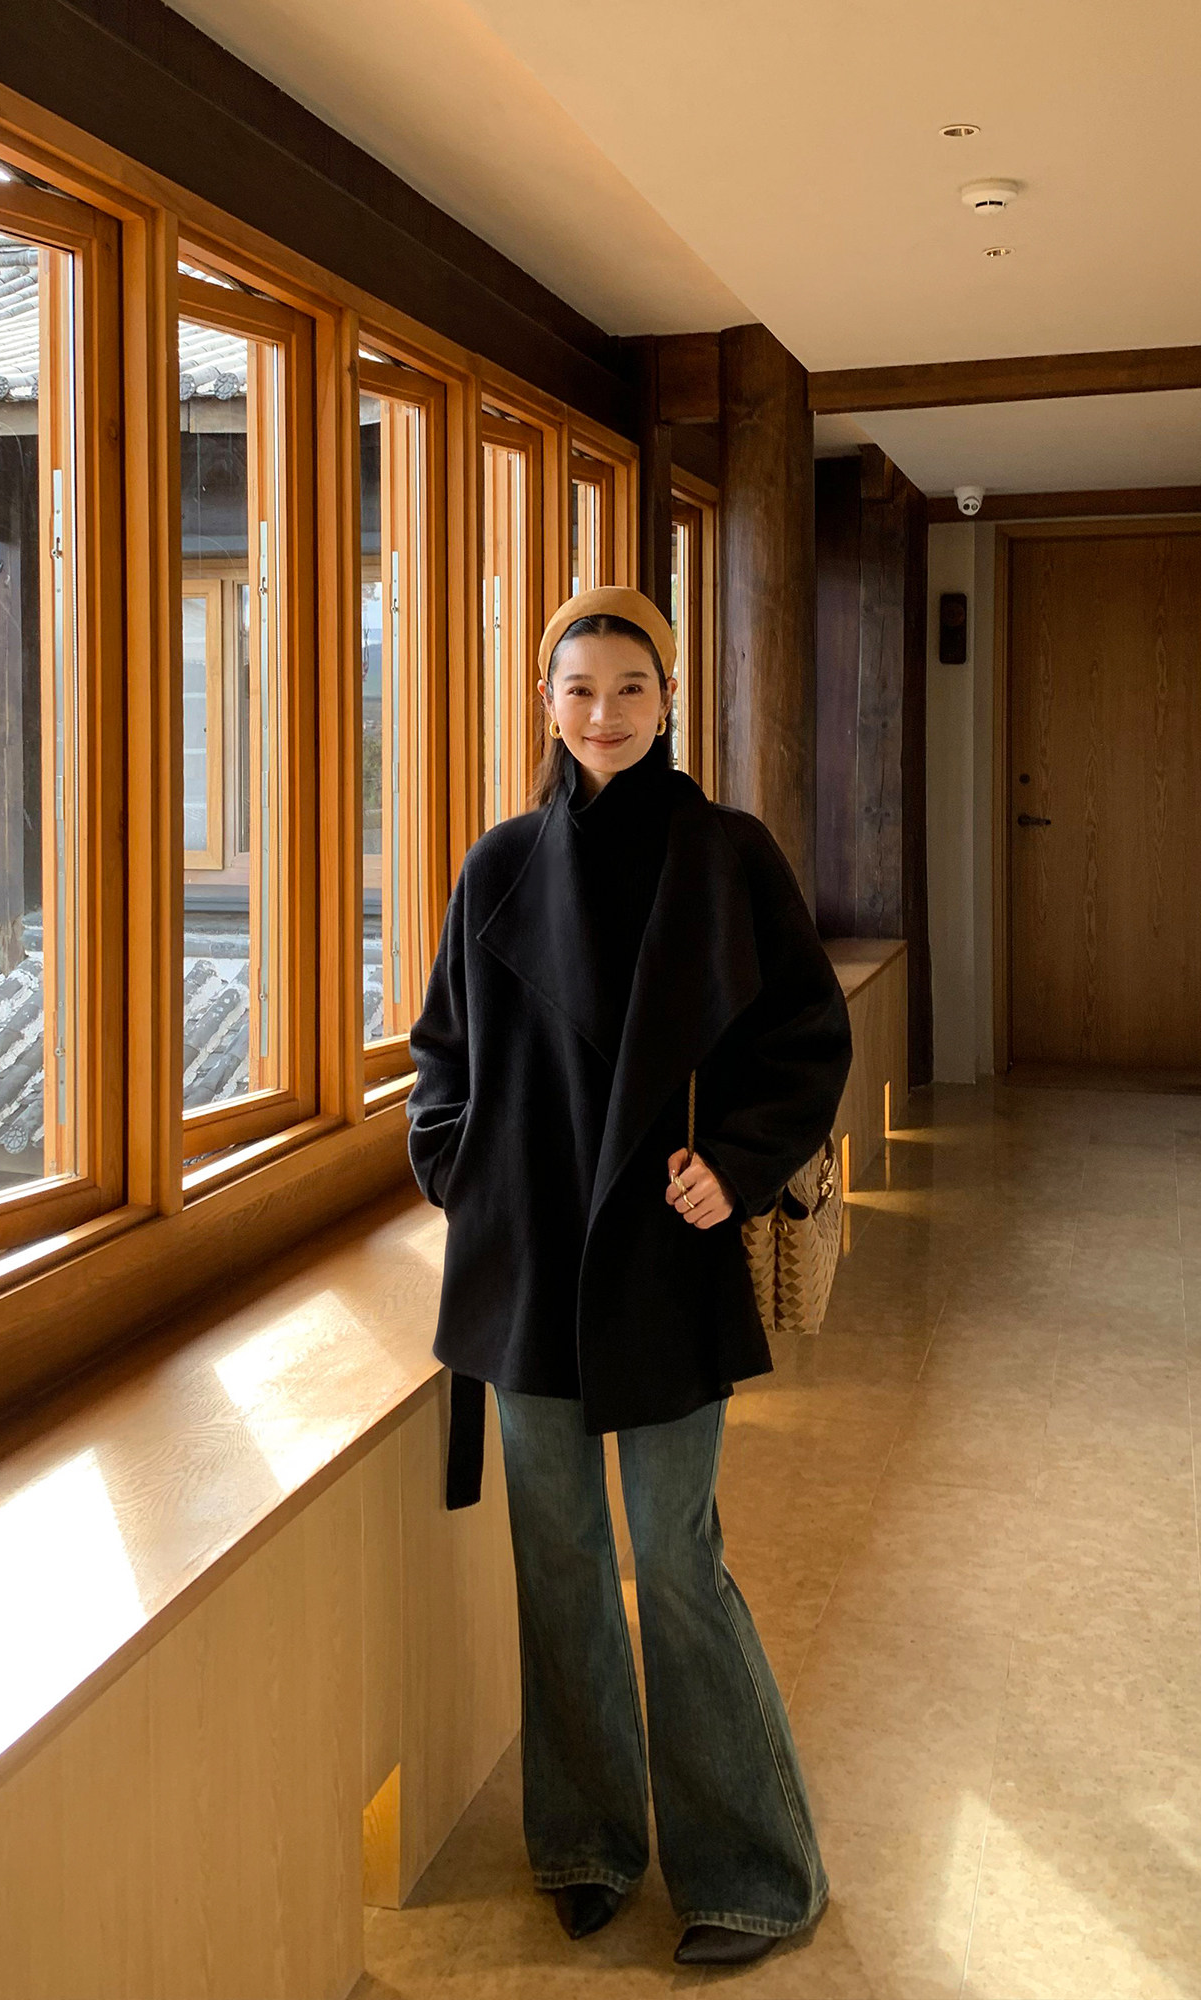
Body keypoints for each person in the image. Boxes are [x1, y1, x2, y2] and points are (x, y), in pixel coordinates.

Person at [405, 583, 853, 1971]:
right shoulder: (498, 865)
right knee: (559, 1560)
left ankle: (756, 1874)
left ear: (669, 701)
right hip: (531, 1263)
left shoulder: (728, 854)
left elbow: (807, 1037)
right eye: (579, 690)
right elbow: (440, 1057)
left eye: (630, 689)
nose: (603, 714)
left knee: (675, 1556)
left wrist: (739, 1162)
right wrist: (465, 1174)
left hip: (665, 1251)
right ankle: (588, 1844)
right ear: (548, 705)